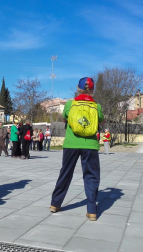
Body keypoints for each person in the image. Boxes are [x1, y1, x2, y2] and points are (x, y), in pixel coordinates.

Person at [50, 77, 104, 221]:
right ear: (92, 90)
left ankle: (55, 204)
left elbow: (65, 118)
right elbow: (101, 121)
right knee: (91, 176)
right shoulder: (96, 106)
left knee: (65, 173)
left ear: (77, 88)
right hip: (90, 145)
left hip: (71, 144)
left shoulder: (70, 104)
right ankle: (92, 211)